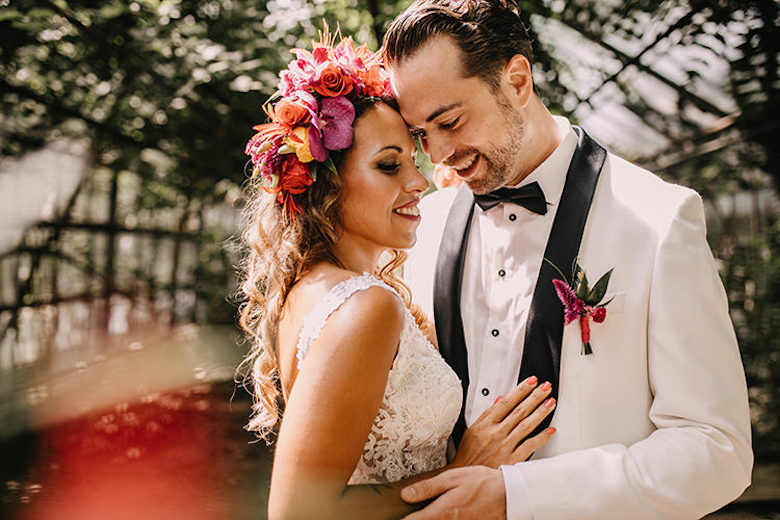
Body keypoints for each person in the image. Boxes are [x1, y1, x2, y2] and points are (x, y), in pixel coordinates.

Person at [382, 1, 753, 519]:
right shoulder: (424, 228)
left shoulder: (659, 221)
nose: (437, 153)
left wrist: (520, 498)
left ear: (516, 80)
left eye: (450, 121)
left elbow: (717, 450)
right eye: (421, 133)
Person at [236, 28, 557, 520]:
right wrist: (466, 465)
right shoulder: (366, 304)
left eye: (414, 158)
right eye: (389, 166)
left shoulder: (311, 288)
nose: (419, 182)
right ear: (326, 183)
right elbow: (298, 512)